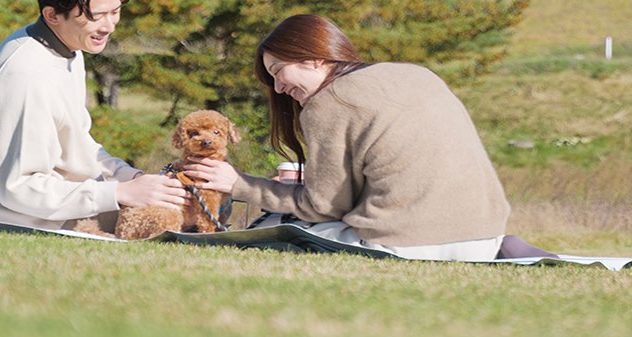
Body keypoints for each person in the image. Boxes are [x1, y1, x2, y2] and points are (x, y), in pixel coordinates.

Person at [181, 14, 510, 261]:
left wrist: (238, 184)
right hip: (485, 240)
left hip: (407, 242)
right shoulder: (417, 74)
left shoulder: (331, 102)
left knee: (268, 233)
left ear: (312, 57)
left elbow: (322, 208)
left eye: (278, 70)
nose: (279, 87)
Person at [0, 0, 187, 230]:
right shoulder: (24, 75)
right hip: (8, 217)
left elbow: (78, 145)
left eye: (115, 12)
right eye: (96, 16)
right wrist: (118, 194)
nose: (109, 26)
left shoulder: (68, 48)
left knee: (181, 206)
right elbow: (20, 187)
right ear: (52, 15)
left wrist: (132, 179)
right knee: (168, 225)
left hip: (53, 207)